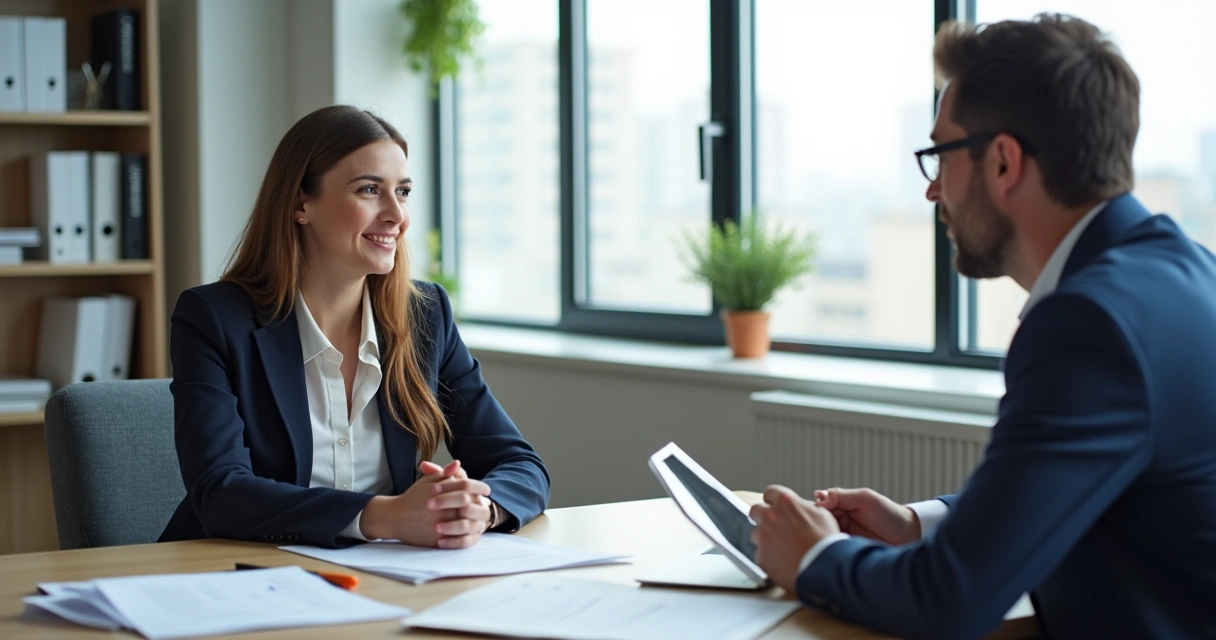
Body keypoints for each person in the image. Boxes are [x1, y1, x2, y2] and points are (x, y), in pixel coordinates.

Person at [748, 14, 1216, 639]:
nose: (933, 190)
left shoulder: (1089, 325)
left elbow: (950, 600)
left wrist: (813, 558)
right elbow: (1096, 480)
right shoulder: (1187, 271)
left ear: (1002, 162)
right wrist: (921, 523)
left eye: (940, 155)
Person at [160, 105, 550, 549]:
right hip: (236, 578)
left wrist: (476, 509)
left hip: (379, 580)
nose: (396, 216)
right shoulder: (214, 318)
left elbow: (521, 465)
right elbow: (220, 493)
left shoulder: (425, 315)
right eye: (369, 190)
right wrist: (386, 516)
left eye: (402, 192)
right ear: (300, 203)